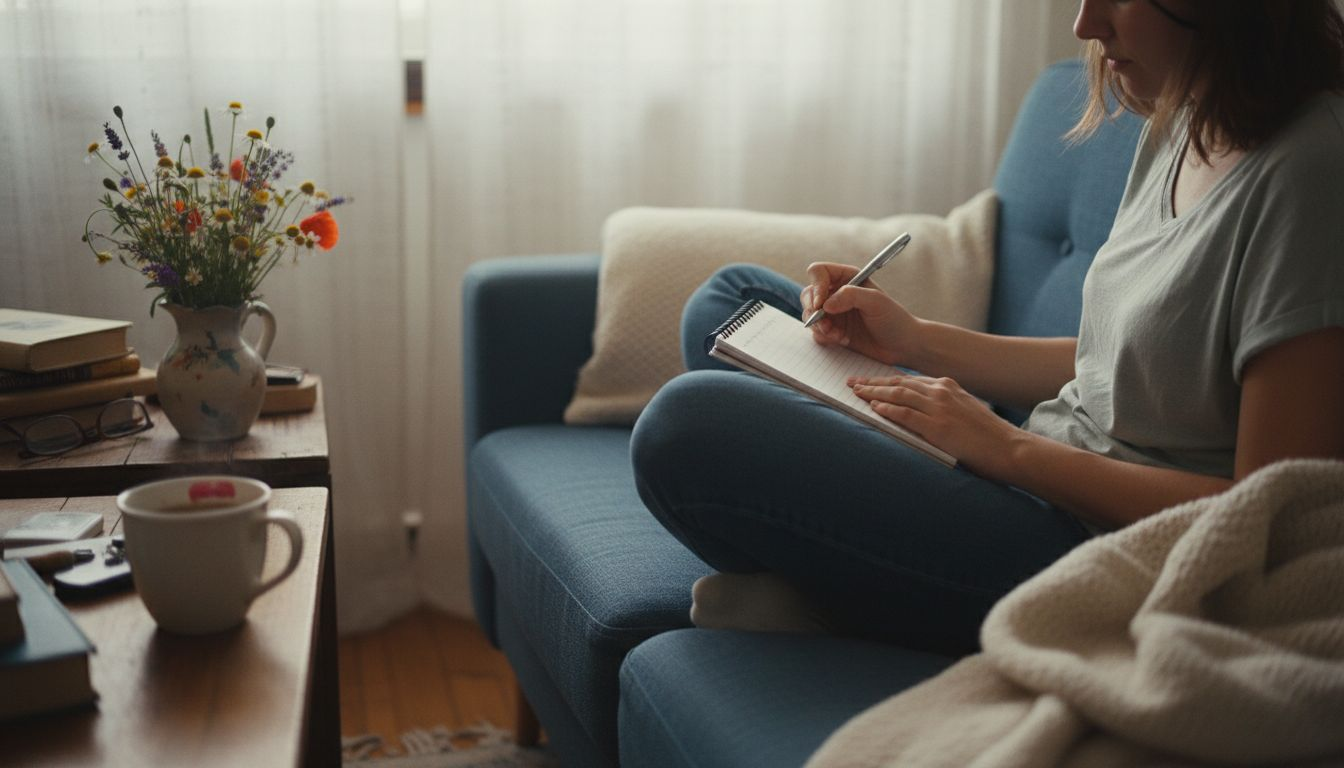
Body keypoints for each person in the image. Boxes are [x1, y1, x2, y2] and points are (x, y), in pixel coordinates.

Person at [630, 0, 1344, 655]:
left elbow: (1274, 509)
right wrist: (910, 339)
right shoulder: (1184, 116)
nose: (1084, 25)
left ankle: (844, 597)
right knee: (731, 302)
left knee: (686, 427)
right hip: (1031, 462)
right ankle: (846, 580)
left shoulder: (1311, 172)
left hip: (1095, 543)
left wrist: (1005, 448)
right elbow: (1117, 363)